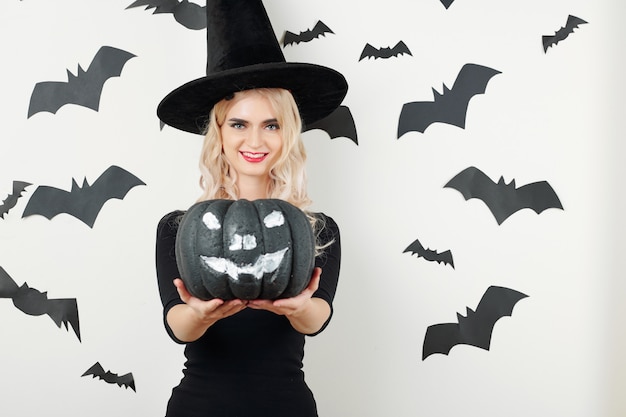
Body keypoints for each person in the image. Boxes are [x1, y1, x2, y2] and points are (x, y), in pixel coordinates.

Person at [154, 1, 348, 416]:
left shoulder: (317, 230)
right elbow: (178, 327)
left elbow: (317, 319)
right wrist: (200, 316)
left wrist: (299, 308)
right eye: (239, 124)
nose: (255, 141)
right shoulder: (180, 228)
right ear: (218, 133)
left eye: (271, 125)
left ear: (288, 133)